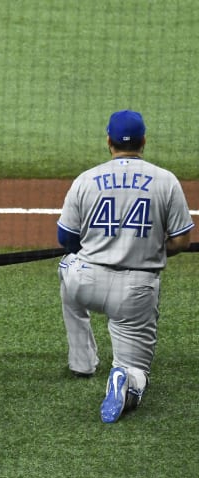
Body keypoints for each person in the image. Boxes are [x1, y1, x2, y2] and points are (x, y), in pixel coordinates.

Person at [57, 109, 193, 423]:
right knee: (137, 370)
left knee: (66, 266)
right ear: (144, 142)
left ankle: (82, 361)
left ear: (109, 141)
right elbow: (182, 241)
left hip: (86, 280)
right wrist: (153, 249)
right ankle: (125, 377)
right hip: (135, 291)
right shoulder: (166, 181)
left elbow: (65, 237)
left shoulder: (86, 179)